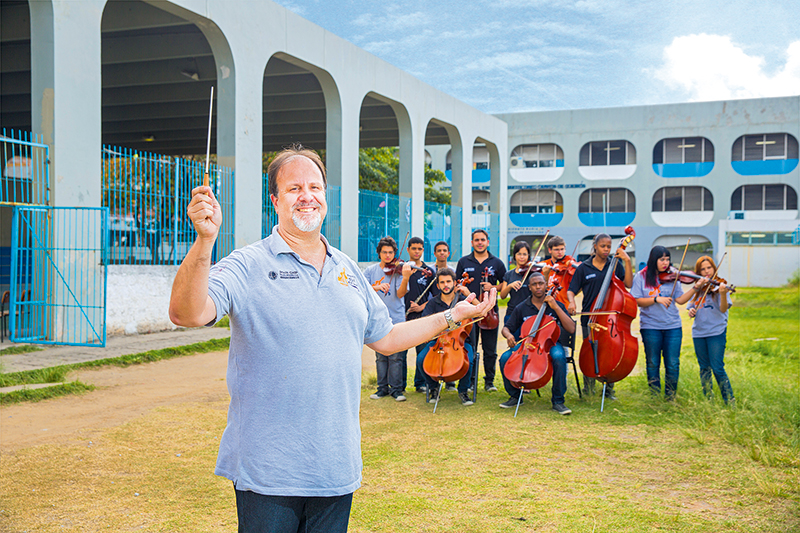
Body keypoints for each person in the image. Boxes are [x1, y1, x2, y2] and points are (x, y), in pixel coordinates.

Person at [168, 145, 496, 533]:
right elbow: (187, 313)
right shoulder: (248, 263)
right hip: (269, 468)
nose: (307, 196)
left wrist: (453, 315)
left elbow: (387, 337)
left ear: (325, 196)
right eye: (293, 189)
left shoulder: (348, 269)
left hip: (335, 466)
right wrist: (205, 242)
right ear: (274, 199)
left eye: (315, 187)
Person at [567, 233, 633, 399]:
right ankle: (588, 389)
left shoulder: (615, 264)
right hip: (589, 318)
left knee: (610, 352)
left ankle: (608, 389)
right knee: (589, 351)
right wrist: (572, 302)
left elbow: (628, 285)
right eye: (603, 246)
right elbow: (571, 290)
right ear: (595, 246)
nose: (606, 249)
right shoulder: (584, 267)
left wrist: (627, 260)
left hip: (609, 318)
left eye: (609, 247)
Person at [499, 272, 576, 415]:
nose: (538, 287)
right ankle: (515, 396)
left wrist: (556, 307)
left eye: (541, 283)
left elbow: (571, 328)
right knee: (504, 358)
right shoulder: (522, 307)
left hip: (550, 344)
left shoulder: (556, 305)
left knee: (559, 356)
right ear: (529, 287)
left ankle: (558, 401)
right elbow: (506, 328)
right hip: (527, 345)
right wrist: (509, 335)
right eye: (534, 284)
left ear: (546, 285)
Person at [631, 245, 700, 400]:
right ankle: (655, 396)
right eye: (662, 259)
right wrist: (656, 299)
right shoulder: (641, 277)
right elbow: (636, 301)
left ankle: (670, 397)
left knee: (673, 363)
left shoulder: (673, 276)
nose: (665, 263)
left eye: (667, 259)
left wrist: (696, 288)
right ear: (654, 259)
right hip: (650, 327)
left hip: (672, 326)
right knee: (653, 362)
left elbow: (680, 300)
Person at [415, 268, 477, 406]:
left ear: (455, 283)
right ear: (438, 285)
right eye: (442, 282)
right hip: (438, 341)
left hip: (460, 342)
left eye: (448, 281)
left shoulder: (464, 302)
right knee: (421, 360)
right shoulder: (432, 303)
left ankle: (463, 391)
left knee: (468, 360)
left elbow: (482, 313)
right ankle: (433, 388)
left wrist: (471, 297)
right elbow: (426, 322)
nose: (445, 285)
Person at [456, 229, 507, 392]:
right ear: (472, 243)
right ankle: (470, 382)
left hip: (489, 311)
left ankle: (489, 381)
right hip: (469, 311)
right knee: (470, 346)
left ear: (487, 242)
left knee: (490, 348)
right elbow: (458, 284)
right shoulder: (464, 262)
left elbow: (504, 285)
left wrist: (494, 287)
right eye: (476, 240)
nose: (479, 242)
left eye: (482, 240)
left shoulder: (497, 263)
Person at [364, 237, 409, 401]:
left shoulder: (398, 271)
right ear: (379, 253)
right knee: (380, 356)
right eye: (384, 252)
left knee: (396, 356)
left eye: (391, 252)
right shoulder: (370, 271)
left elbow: (400, 294)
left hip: (396, 318)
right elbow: (361, 290)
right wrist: (376, 287)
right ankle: (381, 388)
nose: (388, 255)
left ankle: (396, 390)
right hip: (377, 318)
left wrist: (405, 277)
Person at [687, 255, 735, 404]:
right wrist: (691, 312)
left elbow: (723, 309)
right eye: (703, 269)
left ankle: (729, 400)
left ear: (714, 268)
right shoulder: (698, 288)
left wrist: (722, 293)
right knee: (704, 368)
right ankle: (708, 399)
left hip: (716, 332)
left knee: (717, 367)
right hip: (699, 333)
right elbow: (691, 307)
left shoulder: (721, 287)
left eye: (709, 267)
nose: (707, 271)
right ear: (699, 272)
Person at [397, 236, 436, 393]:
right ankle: (400, 386)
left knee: (422, 352)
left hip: (421, 317)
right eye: (414, 248)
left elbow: (436, 297)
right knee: (401, 353)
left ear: (423, 250)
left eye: (420, 248)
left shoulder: (428, 271)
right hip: (402, 316)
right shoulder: (401, 269)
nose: (417, 251)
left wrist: (421, 307)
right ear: (408, 250)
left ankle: (420, 384)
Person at [499, 241, 532, 320]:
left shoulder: (533, 273)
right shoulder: (509, 274)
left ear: (528, 256)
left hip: (529, 312)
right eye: (519, 254)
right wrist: (510, 286)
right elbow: (502, 296)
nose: (522, 257)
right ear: (514, 256)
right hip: (512, 313)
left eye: (524, 254)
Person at [541, 235, 577, 307]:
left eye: (562, 249)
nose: (560, 252)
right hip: (547, 306)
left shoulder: (568, 264)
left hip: (564, 306)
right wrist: (545, 275)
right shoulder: (544, 266)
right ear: (550, 250)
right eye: (556, 249)